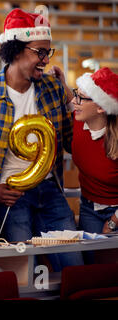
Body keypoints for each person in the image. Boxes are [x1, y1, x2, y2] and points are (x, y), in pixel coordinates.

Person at [0, 8, 83, 272]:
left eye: (48, 52)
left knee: (74, 267)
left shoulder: (52, 88)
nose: (45, 59)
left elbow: (71, 143)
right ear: (16, 50)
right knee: (22, 273)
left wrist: (68, 94)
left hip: (50, 191)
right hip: (10, 195)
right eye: (39, 52)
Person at [71, 67, 118, 236]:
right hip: (88, 207)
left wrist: (113, 221)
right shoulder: (79, 118)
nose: (74, 101)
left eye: (81, 98)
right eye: (75, 94)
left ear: (101, 108)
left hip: (115, 212)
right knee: (89, 261)